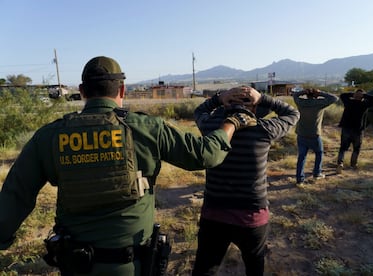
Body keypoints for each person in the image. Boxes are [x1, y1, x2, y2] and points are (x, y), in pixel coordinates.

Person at [0, 56, 257, 275]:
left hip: (77, 264)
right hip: (134, 265)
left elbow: (15, 195)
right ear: (122, 90)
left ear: (83, 91)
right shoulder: (147, 128)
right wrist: (231, 123)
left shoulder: (49, 136)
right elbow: (205, 154)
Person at [192, 86, 300, 276]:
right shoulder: (263, 129)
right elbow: (292, 113)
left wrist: (218, 98)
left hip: (214, 213)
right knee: (254, 266)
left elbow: (199, 111)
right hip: (252, 216)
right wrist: (263, 98)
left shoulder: (210, 127)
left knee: (205, 268)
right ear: (255, 107)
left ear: (226, 105)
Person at [293, 88, 338, 184]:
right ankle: (317, 173)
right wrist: (321, 93)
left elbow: (295, 95)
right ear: (315, 95)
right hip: (314, 134)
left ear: (306, 95)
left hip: (301, 134)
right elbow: (334, 98)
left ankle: (299, 179)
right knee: (319, 153)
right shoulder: (319, 103)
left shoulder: (301, 102)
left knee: (301, 157)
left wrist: (303, 92)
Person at [336, 89, 373, 173]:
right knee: (356, 148)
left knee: (343, 148)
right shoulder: (364, 104)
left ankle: (340, 163)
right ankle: (353, 164)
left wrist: (354, 94)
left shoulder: (348, 102)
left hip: (346, 128)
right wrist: (363, 95)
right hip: (358, 130)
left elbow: (342, 95)